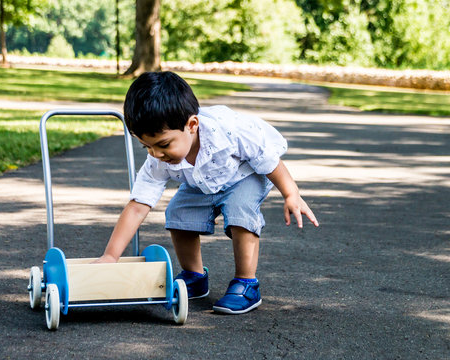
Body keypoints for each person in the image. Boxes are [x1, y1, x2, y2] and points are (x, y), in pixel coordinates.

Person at [95, 71, 319, 314]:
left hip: (246, 173)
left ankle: (246, 283)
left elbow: (267, 160)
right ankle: (195, 277)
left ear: (192, 125)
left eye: (163, 144)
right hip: (203, 183)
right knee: (179, 213)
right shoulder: (158, 158)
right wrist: (110, 256)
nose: (155, 154)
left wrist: (290, 193)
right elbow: (138, 205)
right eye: (146, 146)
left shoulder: (231, 131)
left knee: (240, 212)